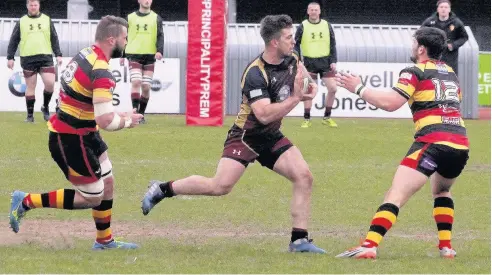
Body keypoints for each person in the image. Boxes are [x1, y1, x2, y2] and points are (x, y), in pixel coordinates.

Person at [141, 14, 326, 254]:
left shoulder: (293, 58)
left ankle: (299, 240)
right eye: (289, 37)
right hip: (246, 137)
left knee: (304, 177)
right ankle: (162, 189)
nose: (294, 41)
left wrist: (308, 89)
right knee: (219, 186)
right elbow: (264, 115)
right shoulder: (255, 73)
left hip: (271, 136)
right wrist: (295, 98)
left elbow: (309, 86)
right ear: (274, 42)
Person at [9, 15, 143, 250]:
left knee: (108, 182)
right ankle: (27, 201)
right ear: (112, 40)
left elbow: (89, 103)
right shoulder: (101, 70)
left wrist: (118, 114)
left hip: (83, 131)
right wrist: (126, 122)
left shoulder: (86, 54)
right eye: (125, 37)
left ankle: (104, 241)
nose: (127, 42)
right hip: (71, 138)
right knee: (93, 197)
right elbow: (106, 121)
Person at [335, 27, 469, 259]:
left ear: (421, 48)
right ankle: (446, 247)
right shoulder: (450, 73)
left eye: (413, 43)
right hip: (459, 144)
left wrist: (358, 88)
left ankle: (369, 245)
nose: (411, 47)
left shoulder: (414, 71)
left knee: (395, 194)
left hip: (432, 141)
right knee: (442, 190)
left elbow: (391, 103)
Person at [7, 0, 63, 123]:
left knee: (50, 83)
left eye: (35, 5)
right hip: (28, 58)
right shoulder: (22, 21)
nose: (33, 7)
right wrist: (10, 57)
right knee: (30, 87)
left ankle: (45, 107)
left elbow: (54, 37)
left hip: (45, 57)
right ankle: (30, 116)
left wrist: (58, 54)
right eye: (31, 5)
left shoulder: (46, 19)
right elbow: (14, 40)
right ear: (27, 6)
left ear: (39, 6)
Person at [294, 2, 338, 128]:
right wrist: (298, 59)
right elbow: (296, 44)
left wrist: (333, 60)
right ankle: (307, 119)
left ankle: (327, 117)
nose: (314, 12)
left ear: (319, 11)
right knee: (308, 90)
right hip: (309, 63)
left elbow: (333, 44)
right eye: (311, 10)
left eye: (316, 10)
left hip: (325, 63)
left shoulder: (327, 25)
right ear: (308, 12)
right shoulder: (303, 26)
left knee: (333, 88)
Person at [120, 0, 164, 124]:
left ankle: (141, 114)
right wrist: (122, 55)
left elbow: (160, 35)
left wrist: (159, 51)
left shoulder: (156, 18)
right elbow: (124, 36)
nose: (147, 1)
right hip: (133, 54)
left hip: (150, 56)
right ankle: (134, 111)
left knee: (146, 87)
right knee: (136, 81)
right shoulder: (130, 18)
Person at [422, 0, 468, 76]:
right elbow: (421, 33)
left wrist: (453, 45)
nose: (443, 9)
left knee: (449, 79)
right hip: (432, 57)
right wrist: (429, 44)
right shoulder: (430, 21)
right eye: (441, 7)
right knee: (432, 79)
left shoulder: (456, 22)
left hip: (450, 58)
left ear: (449, 9)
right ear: (438, 9)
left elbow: (464, 37)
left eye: (446, 7)